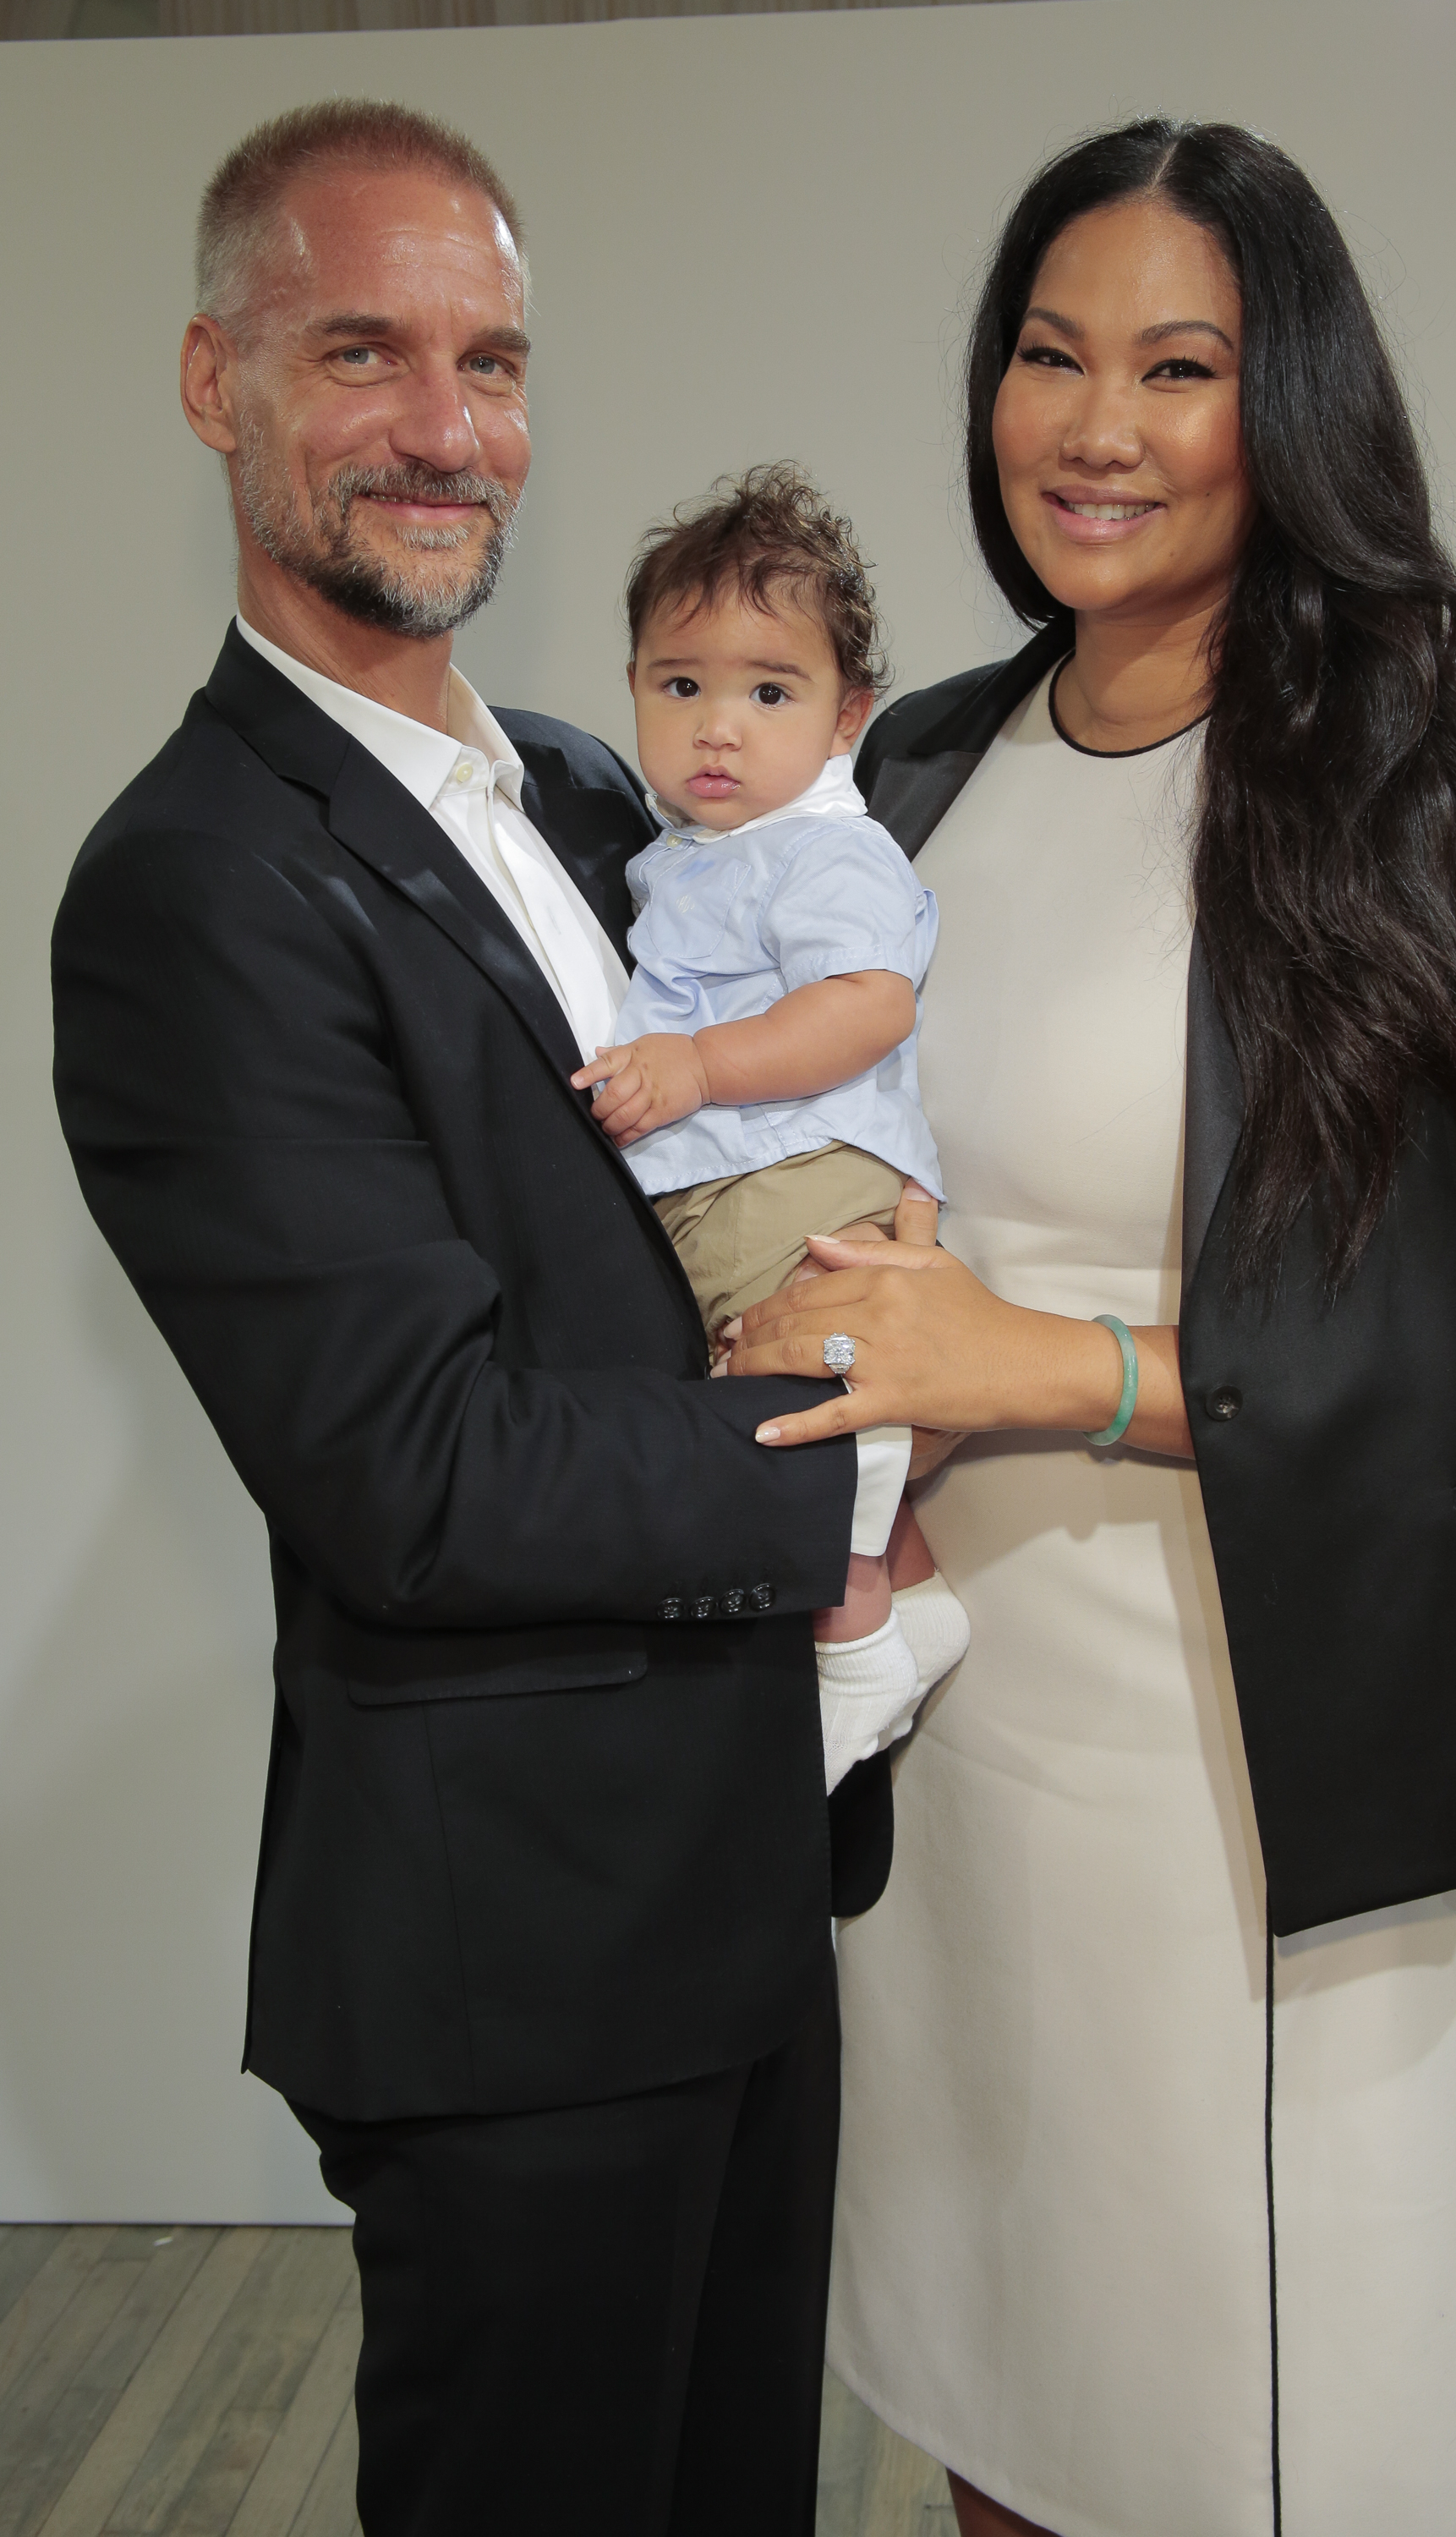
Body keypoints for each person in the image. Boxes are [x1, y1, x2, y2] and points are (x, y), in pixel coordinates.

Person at [725, 120, 1456, 2537]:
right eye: (1051, 354)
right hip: (954, 1734)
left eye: (1179, 365)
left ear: (1296, 406)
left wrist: (1037, 1369)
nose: (1095, 426)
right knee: (1001, 2375)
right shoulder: (916, 770)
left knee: (1317, 2430)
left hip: (1262, 1752)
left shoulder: (1423, 772)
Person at [50, 100, 909, 2537]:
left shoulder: (590, 784)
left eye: (494, 359)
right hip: (513, 1970)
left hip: (735, 1890)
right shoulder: (189, 888)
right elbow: (412, 1470)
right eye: (364, 352)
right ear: (218, 385)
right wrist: (871, 1441)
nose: (449, 427)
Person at [573, 464, 969, 1786]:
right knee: (788, 1398)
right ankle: (917, 1600)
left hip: (798, 1173)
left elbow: (864, 1007)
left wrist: (693, 1069)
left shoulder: (826, 851)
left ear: (847, 716)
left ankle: (854, 1649)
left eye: (769, 690)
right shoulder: (688, 849)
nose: (717, 729)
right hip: (747, 1174)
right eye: (679, 685)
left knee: (797, 1409)